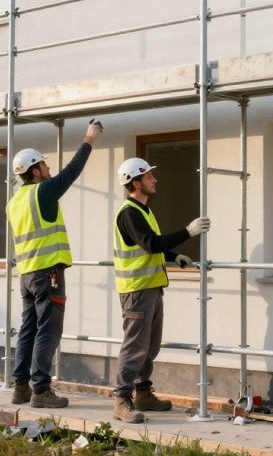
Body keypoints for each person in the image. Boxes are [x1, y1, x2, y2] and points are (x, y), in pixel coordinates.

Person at [7, 118, 104, 407]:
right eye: (45, 166)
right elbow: (72, 172)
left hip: (26, 275)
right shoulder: (43, 192)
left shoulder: (14, 201)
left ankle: (21, 387)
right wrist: (90, 138)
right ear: (35, 171)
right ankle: (41, 390)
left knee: (28, 329)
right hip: (48, 272)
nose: (49, 170)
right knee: (48, 330)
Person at [110, 157, 210, 423]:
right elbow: (150, 243)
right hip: (137, 290)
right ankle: (121, 399)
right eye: (149, 176)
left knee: (149, 346)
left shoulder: (143, 211)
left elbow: (153, 245)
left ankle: (143, 393)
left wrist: (174, 255)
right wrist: (188, 232)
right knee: (134, 346)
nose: (155, 180)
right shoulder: (129, 213)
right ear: (135, 182)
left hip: (151, 288)